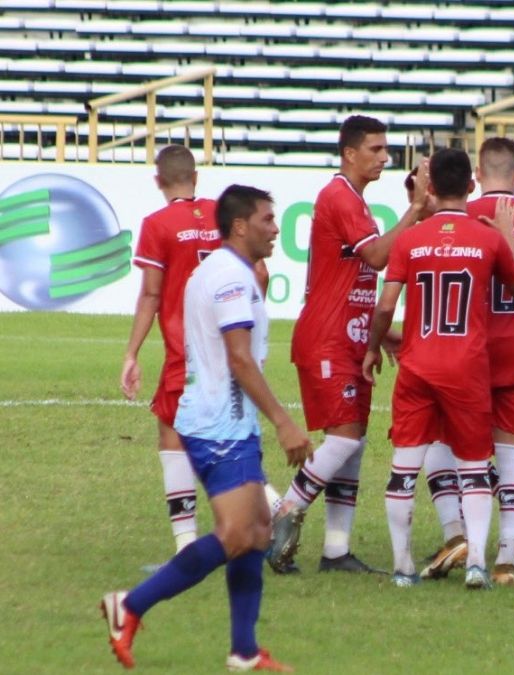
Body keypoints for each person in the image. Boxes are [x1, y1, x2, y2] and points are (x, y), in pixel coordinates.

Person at [102, 185, 313, 671]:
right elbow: (239, 358)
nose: (275, 228)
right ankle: (129, 606)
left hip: (227, 419)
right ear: (240, 226)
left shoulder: (227, 270)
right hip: (218, 423)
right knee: (238, 533)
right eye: (266, 219)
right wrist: (283, 422)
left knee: (258, 531)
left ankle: (243, 650)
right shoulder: (228, 278)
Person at [364, 148, 514, 590]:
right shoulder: (487, 237)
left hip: (417, 365)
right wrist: (507, 235)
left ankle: (401, 567)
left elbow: (384, 307)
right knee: (474, 466)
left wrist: (372, 348)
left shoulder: (410, 239)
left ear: (430, 187)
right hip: (467, 365)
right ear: (471, 188)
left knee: (404, 467)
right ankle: (476, 562)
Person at [269, 115, 425, 575]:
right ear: (349, 153)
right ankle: (284, 511)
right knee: (345, 438)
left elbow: (355, 280)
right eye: (375, 149)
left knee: (353, 445)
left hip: (350, 338)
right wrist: (415, 210)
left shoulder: (354, 202)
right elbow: (377, 258)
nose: (384, 157)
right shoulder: (338, 196)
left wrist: (386, 336)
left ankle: (336, 550)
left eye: (385, 149)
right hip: (328, 338)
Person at [417, 137, 514, 586]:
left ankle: (457, 534)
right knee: (511, 458)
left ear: (477, 177)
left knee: (441, 445)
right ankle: (506, 560)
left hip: (463, 354)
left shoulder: (455, 218)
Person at [120, 145, 223, 554]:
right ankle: (270, 510)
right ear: (195, 178)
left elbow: (150, 294)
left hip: (187, 350)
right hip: (227, 347)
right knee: (225, 438)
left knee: (173, 435)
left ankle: (187, 546)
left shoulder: (157, 224)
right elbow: (260, 273)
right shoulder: (222, 213)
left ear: (158, 182)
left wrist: (131, 352)